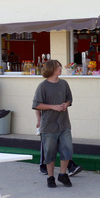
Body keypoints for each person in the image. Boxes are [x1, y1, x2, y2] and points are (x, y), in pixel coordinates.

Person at [32, 59, 74, 188]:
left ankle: (62, 174)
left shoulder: (64, 84)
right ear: (51, 69)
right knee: (50, 152)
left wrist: (65, 104)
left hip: (64, 123)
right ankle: (50, 177)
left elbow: (69, 99)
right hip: (49, 125)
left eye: (60, 66)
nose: (61, 68)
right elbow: (37, 104)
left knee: (67, 149)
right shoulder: (42, 86)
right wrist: (53, 107)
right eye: (58, 67)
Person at [35, 110, 82, 176]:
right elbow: (37, 106)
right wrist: (39, 120)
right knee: (47, 146)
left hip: (59, 123)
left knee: (63, 144)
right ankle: (43, 165)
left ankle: (70, 166)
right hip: (47, 124)